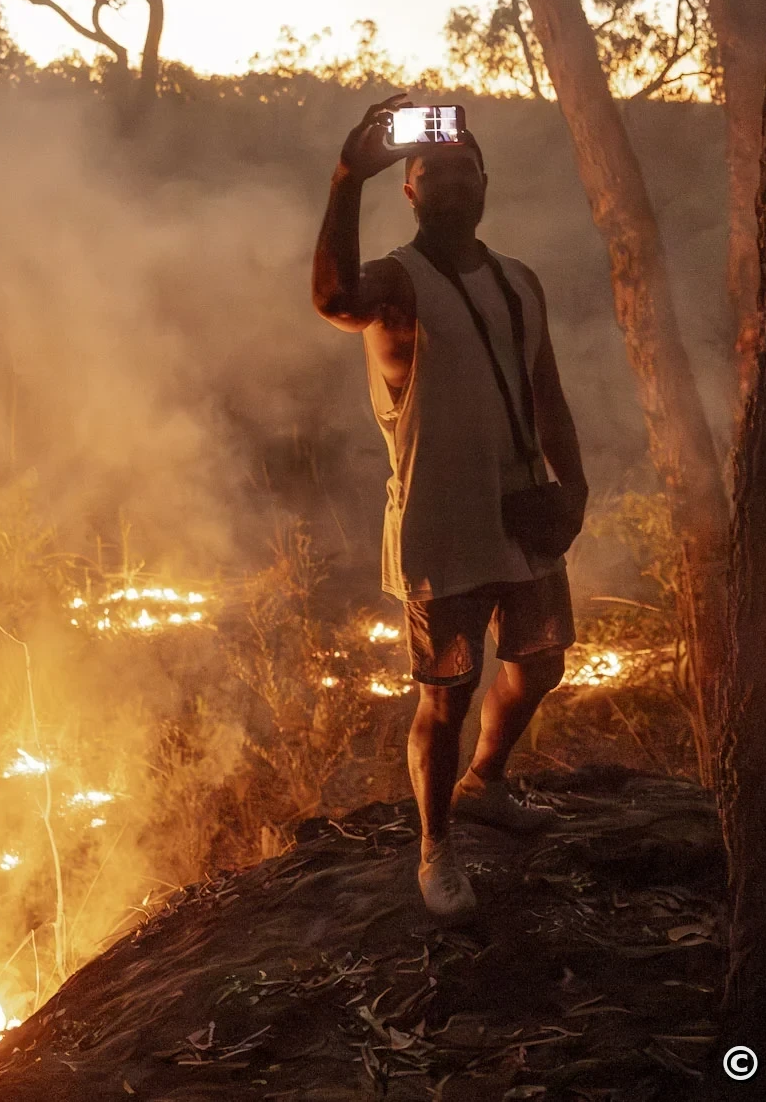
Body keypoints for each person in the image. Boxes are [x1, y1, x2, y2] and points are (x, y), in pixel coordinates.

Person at [311, 93, 589, 917]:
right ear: (409, 190)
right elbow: (334, 300)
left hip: (522, 511)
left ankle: (485, 784)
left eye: (465, 170)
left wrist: (574, 487)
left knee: (540, 663)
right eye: (432, 172)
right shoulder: (397, 282)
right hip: (441, 520)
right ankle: (436, 849)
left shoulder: (519, 280)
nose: (452, 184)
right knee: (447, 692)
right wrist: (346, 178)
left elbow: (547, 393)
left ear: (485, 184)